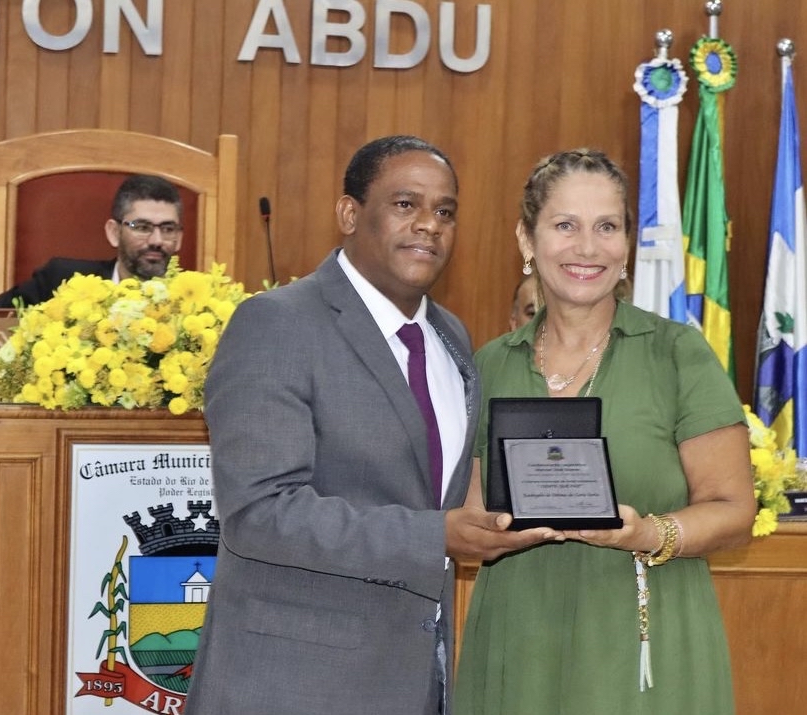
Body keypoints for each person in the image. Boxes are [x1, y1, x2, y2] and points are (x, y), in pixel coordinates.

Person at [184, 135, 558, 715]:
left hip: (412, 679)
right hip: (292, 685)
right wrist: (437, 536)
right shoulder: (277, 324)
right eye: (406, 204)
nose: (430, 225)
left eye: (445, 211)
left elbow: (444, 491)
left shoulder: (451, 340)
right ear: (350, 213)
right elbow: (259, 513)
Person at [455, 149, 756, 715]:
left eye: (607, 227)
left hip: (646, 647)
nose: (587, 248)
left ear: (627, 245)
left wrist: (646, 534)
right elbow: (472, 512)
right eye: (565, 225)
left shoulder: (677, 354)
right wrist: (484, 530)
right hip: (517, 644)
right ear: (527, 240)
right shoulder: (489, 364)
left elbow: (734, 509)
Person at [0, 174, 183, 310]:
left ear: (179, 238)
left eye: (168, 229)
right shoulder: (61, 281)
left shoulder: (196, 304)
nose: (157, 240)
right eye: (142, 227)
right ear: (114, 232)